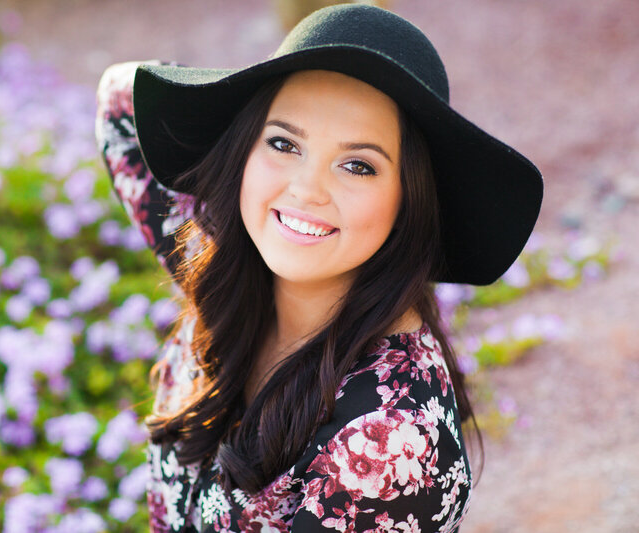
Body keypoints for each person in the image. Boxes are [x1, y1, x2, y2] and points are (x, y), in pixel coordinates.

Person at [95, 4, 542, 532]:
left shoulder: (386, 439)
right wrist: (226, 99)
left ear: (409, 202)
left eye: (358, 165)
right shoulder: (218, 264)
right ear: (244, 149)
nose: (306, 190)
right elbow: (120, 99)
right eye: (283, 142)